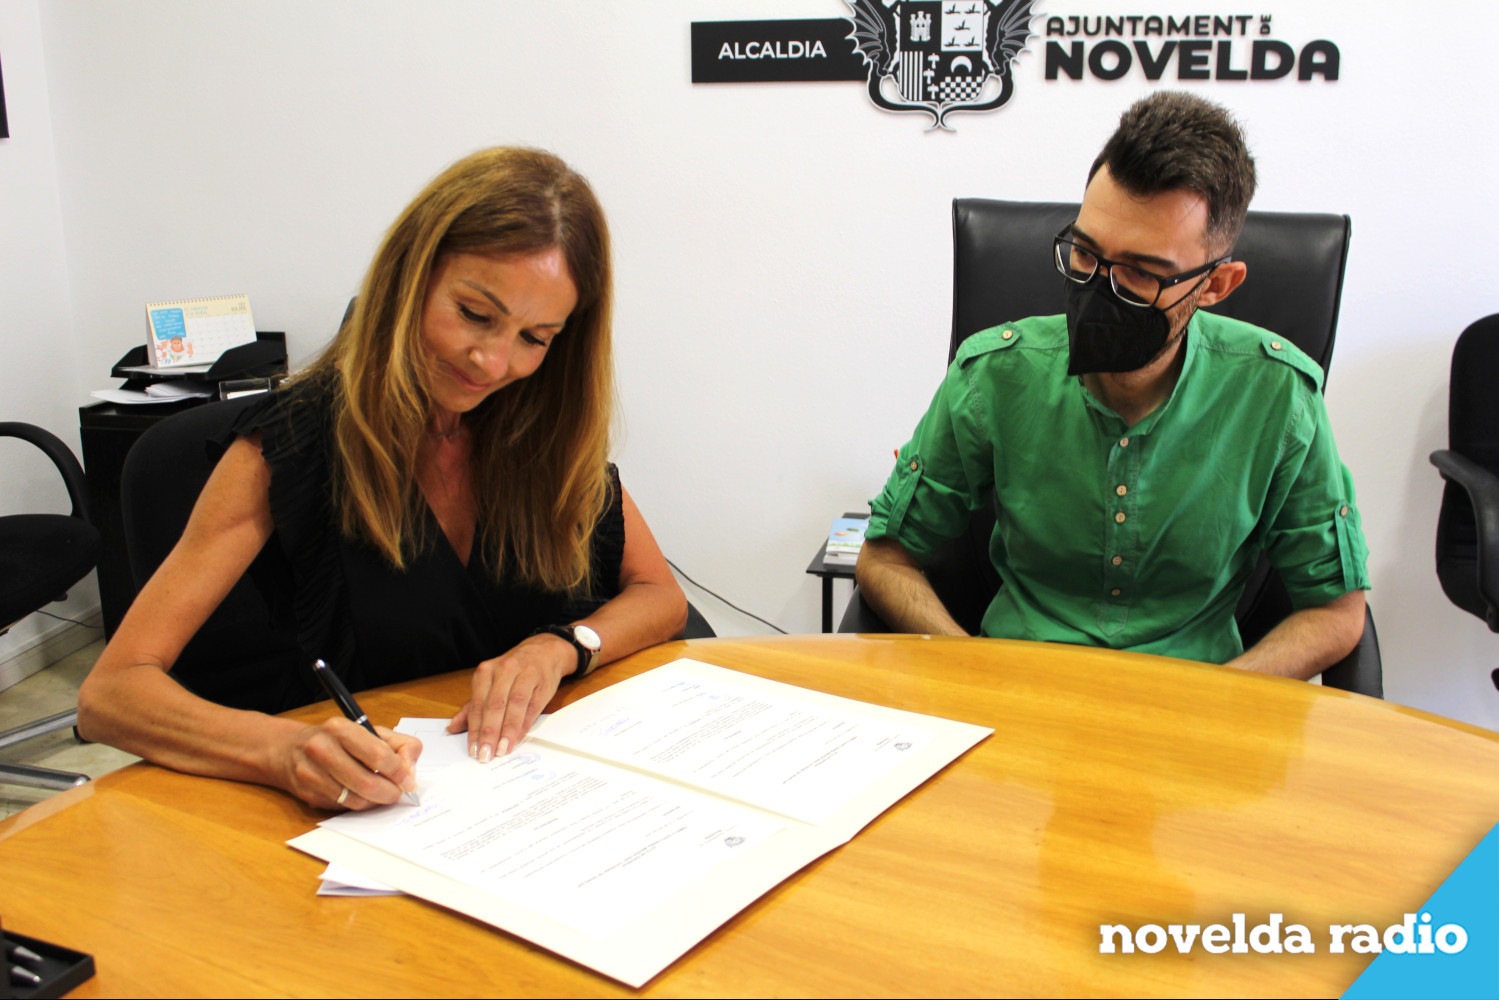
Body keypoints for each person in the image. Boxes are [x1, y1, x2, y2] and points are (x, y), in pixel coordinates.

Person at [78, 147, 688, 810]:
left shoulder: (541, 433)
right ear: (409, 278)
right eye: (474, 314)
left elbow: (658, 595)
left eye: (534, 338)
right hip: (377, 808)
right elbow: (111, 696)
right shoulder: (288, 447)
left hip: (534, 794)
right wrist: (282, 749)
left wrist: (564, 646)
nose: (492, 362)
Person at [856, 91, 1369, 678]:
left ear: (1215, 285)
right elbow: (884, 558)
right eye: (1086, 252)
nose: (1100, 287)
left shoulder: (1278, 395)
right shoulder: (994, 374)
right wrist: (969, 668)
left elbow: (1336, 610)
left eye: (1142, 273)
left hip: (1193, 696)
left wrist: (1223, 701)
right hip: (1019, 687)